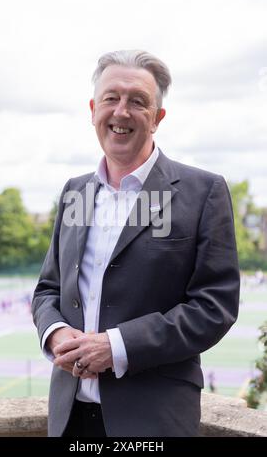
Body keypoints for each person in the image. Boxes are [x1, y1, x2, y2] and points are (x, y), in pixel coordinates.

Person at [32, 50, 240, 437]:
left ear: (158, 118)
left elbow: (215, 306)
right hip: (69, 417)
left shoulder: (203, 191)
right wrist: (55, 332)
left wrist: (119, 346)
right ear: (94, 109)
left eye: (137, 101)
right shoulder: (74, 191)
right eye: (111, 98)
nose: (121, 112)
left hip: (154, 420)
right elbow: (48, 288)